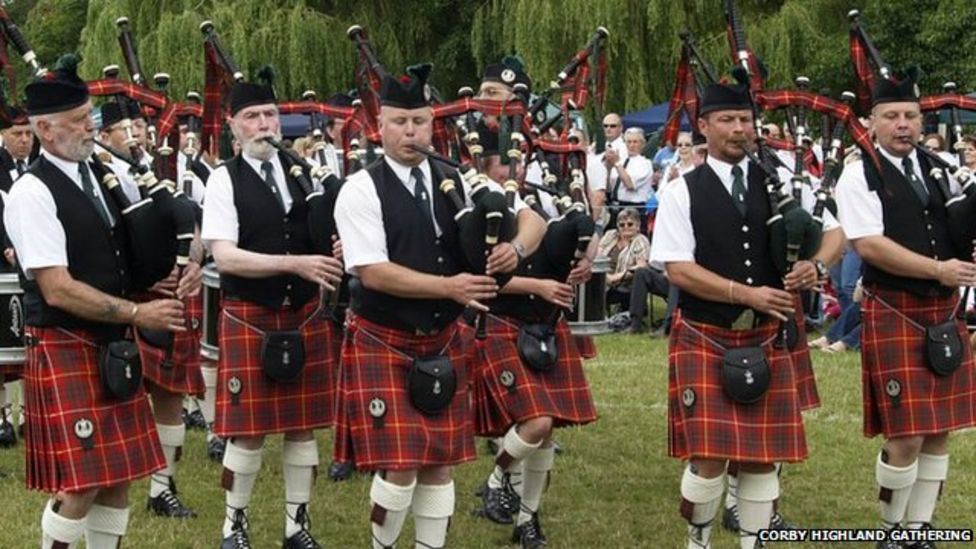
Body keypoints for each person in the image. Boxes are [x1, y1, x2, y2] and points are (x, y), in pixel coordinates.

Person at [333, 64, 544, 549]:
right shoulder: (361, 188)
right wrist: (449, 287)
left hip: (445, 338)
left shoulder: (458, 178)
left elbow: (530, 220)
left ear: (434, 125)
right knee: (401, 465)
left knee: (438, 463)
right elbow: (372, 271)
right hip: (384, 336)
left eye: (421, 122)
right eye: (400, 123)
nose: (411, 133)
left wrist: (517, 250)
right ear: (379, 126)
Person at [4, 53, 193, 549]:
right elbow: (56, 286)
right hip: (67, 343)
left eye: (88, 117)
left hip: (112, 346)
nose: (90, 129)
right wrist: (137, 312)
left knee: (116, 478)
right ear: (44, 130)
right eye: (77, 122)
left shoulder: (106, 178)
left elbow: (135, 251)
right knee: (82, 483)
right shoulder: (32, 192)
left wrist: (182, 260)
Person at [651, 81, 812, 549]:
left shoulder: (778, 182)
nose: (738, 129)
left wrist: (812, 263)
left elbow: (833, 233)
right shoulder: (682, 191)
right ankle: (697, 541)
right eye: (726, 120)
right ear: (704, 127)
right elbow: (678, 269)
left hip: (764, 337)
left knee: (763, 457)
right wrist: (748, 295)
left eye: (744, 119)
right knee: (708, 456)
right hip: (706, 333)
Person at [201, 78, 344, 549]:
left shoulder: (302, 171)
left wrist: (336, 247)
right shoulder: (225, 179)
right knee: (247, 433)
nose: (264, 126)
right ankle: (233, 525)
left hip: (302, 313)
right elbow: (224, 257)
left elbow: (324, 235)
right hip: (251, 314)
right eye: (252, 118)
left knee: (303, 429)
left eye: (269, 116)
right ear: (233, 128)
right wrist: (295, 263)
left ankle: (296, 526)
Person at [835, 72, 976, 547]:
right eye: (891, 116)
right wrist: (939, 271)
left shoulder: (938, 166)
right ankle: (892, 530)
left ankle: (921, 530)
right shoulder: (860, 173)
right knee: (907, 436)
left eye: (911, 116)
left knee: (939, 431)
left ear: (922, 120)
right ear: (871, 121)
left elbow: (957, 230)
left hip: (942, 313)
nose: (902, 125)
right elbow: (869, 245)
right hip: (896, 310)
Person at [0, 104, 33, 446]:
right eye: (17, 134)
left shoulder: (36, 168)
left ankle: (26, 415)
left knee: (27, 343)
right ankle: (2, 419)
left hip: (31, 267)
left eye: (28, 134)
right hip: (1, 265)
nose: (24, 140)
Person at [598, 207, 650, 316]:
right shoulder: (610, 235)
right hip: (602, 278)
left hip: (625, 285)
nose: (626, 227)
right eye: (622, 225)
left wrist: (616, 277)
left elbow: (641, 266)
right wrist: (603, 276)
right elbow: (597, 256)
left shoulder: (641, 240)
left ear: (638, 226)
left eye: (630, 224)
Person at [607, 128, 654, 231]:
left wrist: (617, 164)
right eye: (629, 142)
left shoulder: (645, 164)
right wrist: (608, 168)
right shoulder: (621, 160)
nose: (632, 145)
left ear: (642, 144)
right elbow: (609, 186)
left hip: (634, 209)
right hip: (615, 207)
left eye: (635, 142)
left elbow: (630, 185)